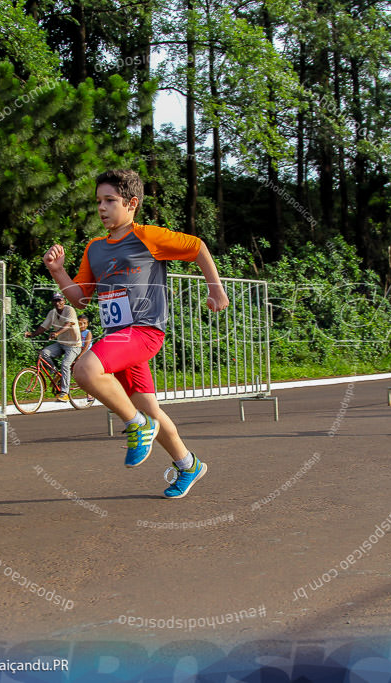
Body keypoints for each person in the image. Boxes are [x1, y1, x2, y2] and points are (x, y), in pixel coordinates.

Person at [41, 168, 229, 499]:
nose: (101, 208)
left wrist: (215, 288)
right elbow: (81, 298)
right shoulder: (94, 249)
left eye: (110, 200)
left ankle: (135, 425)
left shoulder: (148, 236)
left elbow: (198, 247)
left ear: (131, 203)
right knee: (152, 411)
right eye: (98, 201)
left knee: (85, 369)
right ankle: (188, 465)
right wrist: (58, 271)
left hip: (143, 331)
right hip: (119, 340)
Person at [25, 293, 82, 401]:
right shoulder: (52, 313)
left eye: (59, 300)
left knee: (65, 364)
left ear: (64, 301)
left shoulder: (69, 310)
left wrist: (56, 333)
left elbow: (68, 324)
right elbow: (44, 327)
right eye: (55, 301)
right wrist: (32, 334)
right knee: (43, 353)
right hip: (61, 343)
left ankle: (65, 392)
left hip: (74, 345)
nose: (57, 303)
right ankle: (55, 373)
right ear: (52, 302)